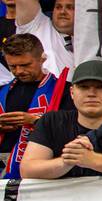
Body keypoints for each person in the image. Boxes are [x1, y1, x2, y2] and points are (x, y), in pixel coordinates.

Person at [0, 33, 71, 178]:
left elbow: (73, 126)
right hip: (5, 165)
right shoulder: (3, 91)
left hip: (45, 163)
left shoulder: (64, 90)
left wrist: (35, 121)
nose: (19, 71)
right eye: (12, 66)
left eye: (25, 65)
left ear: (42, 58)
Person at [13, 0, 81, 75]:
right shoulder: (37, 26)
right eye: (58, 7)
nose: (62, 11)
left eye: (70, 7)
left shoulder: (93, 40)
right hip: (36, 92)